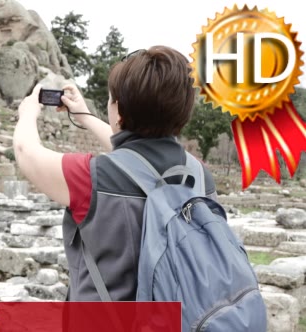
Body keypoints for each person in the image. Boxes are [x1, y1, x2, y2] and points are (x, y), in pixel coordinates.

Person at [12, 46, 218, 301]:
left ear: (117, 110)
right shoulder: (199, 176)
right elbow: (137, 160)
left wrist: (28, 113)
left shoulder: (91, 177)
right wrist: (85, 117)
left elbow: (25, 151)